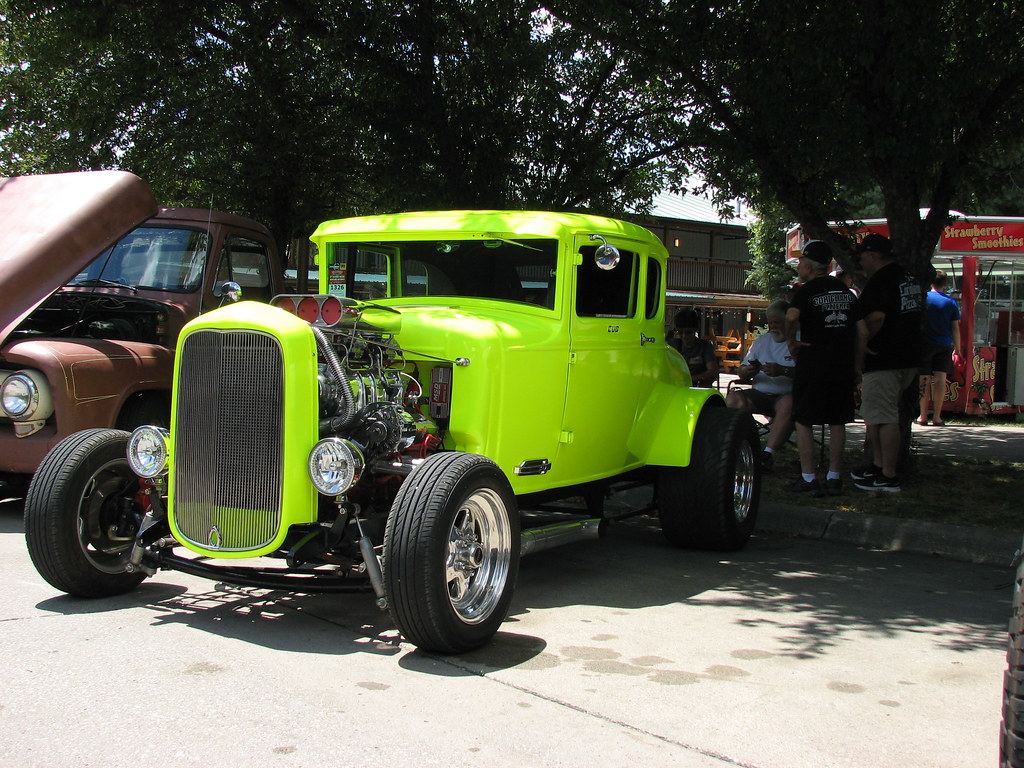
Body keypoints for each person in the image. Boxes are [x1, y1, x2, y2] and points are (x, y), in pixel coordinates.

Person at [784, 240, 860, 497]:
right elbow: (861, 330)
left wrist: (790, 340)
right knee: (838, 421)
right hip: (842, 365)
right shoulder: (846, 292)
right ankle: (834, 477)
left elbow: (792, 317)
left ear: (808, 264)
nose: (798, 266)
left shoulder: (806, 291)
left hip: (814, 364)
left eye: (800, 262)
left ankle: (808, 478)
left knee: (804, 420)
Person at [851, 233, 923, 493]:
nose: (860, 261)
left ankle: (888, 474)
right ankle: (878, 466)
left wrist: (862, 348)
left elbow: (876, 319)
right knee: (878, 415)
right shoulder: (907, 277)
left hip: (884, 358)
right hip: (909, 358)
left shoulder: (880, 280)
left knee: (884, 416)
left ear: (872, 255)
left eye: (862, 256)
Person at [727, 300, 794, 471]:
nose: (772, 327)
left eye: (777, 322)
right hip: (760, 394)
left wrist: (783, 370)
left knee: (788, 403)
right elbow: (740, 372)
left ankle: (767, 455)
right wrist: (748, 371)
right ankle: (732, 449)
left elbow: (808, 373)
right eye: (770, 322)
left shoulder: (797, 342)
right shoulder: (761, 342)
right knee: (734, 397)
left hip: (786, 395)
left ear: (788, 322)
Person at [918, 270, 961, 426]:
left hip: (924, 344)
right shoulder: (951, 302)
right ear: (945, 284)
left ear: (931, 282)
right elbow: (955, 328)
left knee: (923, 379)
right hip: (944, 344)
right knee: (940, 379)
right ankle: (937, 417)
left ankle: (922, 416)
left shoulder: (925, 299)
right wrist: (958, 348)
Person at [668, 308, 719, 387]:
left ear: (696, 330)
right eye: (680, 332)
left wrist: (691, 379)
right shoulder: (672, 345)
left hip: (697, 388)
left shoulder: (705, 347)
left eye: (688, 332)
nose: (684, 336)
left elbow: (712, 371)